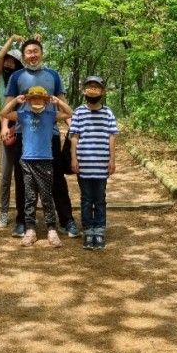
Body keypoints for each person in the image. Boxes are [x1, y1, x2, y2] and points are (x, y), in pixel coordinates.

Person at [5, 37, 80, 239]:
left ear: (42, 53)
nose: (33, 55)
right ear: (23, 56)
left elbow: (63, 105)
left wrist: (73, 130)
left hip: (50, 135)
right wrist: (5, 127)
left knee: (56, 179)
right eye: (28, 52)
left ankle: (66, 220)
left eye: (36, 51)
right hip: (24, 134)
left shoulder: (53, 76)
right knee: (22, 179)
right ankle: (22, 220)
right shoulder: (16, 77)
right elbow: (8, 104)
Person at [0, 86, 73, 247]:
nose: (37, 101)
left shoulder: (50, 115)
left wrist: (58, 101)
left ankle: (51, 229)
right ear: (28, 100)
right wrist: (15, 101)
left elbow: (69, 114)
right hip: (26, 161)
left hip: (46, 161)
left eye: (40, 98)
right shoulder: (23, 115)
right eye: (33, 98)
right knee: (30, 197)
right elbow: (4, 114)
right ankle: (30, 229)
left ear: (46, 101)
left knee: (47, 197)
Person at [69, 76, 118, 250]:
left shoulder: (108, 113)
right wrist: (73, 158)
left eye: (96, 87)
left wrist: (112, 160)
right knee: (86, 199)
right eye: (89, 87)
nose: (92, 90)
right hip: (83, 164)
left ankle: (99, 229)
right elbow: (74, 137)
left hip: (101, 164)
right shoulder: (78, 112)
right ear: (84, 91)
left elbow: (112, 137)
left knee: (100, 198)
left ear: (102, 92)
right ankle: (88, 229)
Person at [0, 35, 24, 228]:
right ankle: (4, 212)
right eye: (8, 60)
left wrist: (28, 44)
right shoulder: (0, 81)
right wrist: (12, 40)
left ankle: (23, 213)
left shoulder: (22, 80)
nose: (9, 63)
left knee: (23, 173)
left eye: (14, 61)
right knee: (6, 174)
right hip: (6, 127)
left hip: (24, 126)